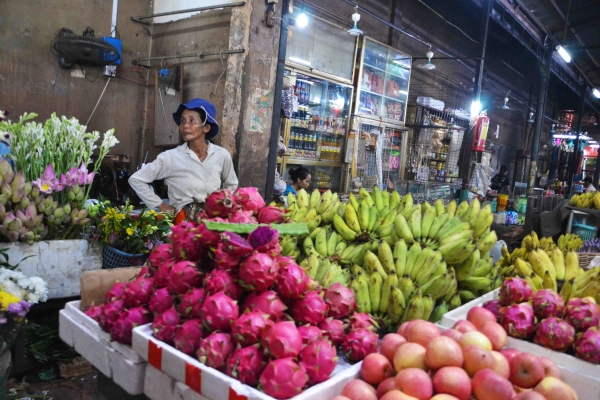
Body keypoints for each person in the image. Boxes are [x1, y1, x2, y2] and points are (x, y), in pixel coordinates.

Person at [129, 98, 238, 217]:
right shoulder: (170, 157)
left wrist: (223, 203)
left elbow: (231, 184)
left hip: (214, 221)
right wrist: (160, 205)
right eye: (182, 120)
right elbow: (136, 179)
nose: (185, 126)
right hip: (183, 224)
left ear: (206, 127)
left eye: (192, 120)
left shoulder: (221, 155)